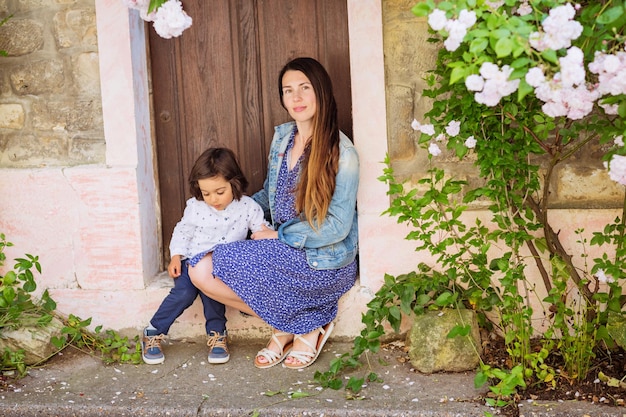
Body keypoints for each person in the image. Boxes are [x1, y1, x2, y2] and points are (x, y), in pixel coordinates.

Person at [189, 57, 359, 370]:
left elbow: (337, 226)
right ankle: (298, 325)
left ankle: (298, 328)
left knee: (212, 266)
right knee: (199, 270)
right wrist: (225, 212)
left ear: (320, 92)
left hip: (323, 261)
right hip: (281, 251)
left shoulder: (341, 152)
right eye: (288, 90)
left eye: (304, 88)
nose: (296, 98)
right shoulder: (283, 138)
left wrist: (280, 235)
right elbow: (268, 195)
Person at [142, 147, 269, 365]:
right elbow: (183, 230)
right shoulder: (196, 207)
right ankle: (153, 332)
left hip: (221, 267)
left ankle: (217, 335)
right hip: (191, 260)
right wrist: (176, 256)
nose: (212, 199)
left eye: (220, 192)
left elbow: (261, 229)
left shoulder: (247, 207)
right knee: (184, 294)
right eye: (206, 193)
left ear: (234, 183)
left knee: (213, 293)